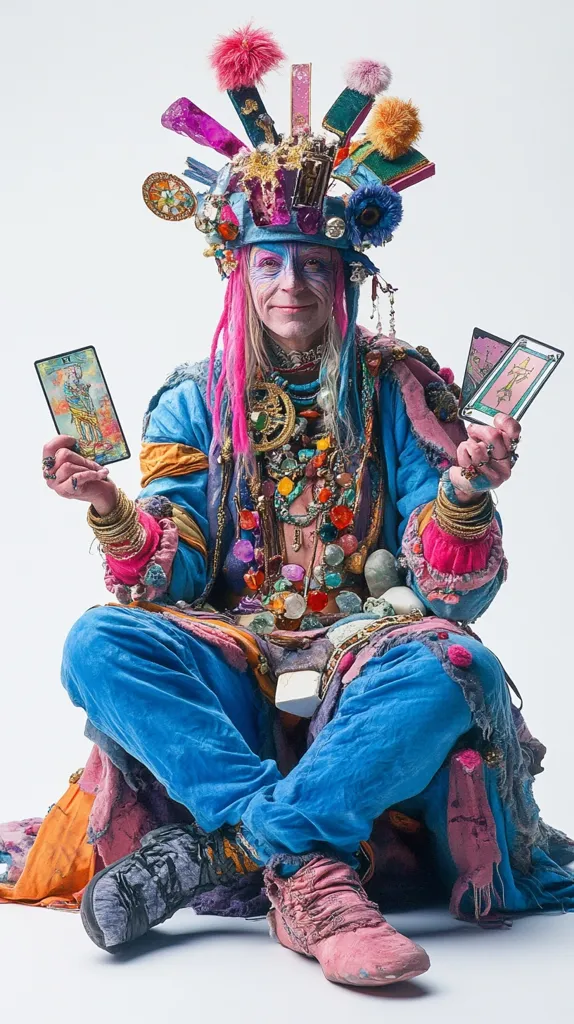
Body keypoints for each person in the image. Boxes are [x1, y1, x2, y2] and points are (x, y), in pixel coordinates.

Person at [9, 26, 574, 989]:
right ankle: (305, 862)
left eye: (314, 264)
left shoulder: (401, 386)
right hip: (236, 652)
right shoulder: (193, 398)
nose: (290, 284)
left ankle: (234, 851)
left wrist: (468, 490)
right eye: (270, 263)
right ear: (240, 270)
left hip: (367, 650)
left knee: (456, 662)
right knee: (96, 644)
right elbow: (173, 572)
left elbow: (446, 589)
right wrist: (108, 503)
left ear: (348, 277)